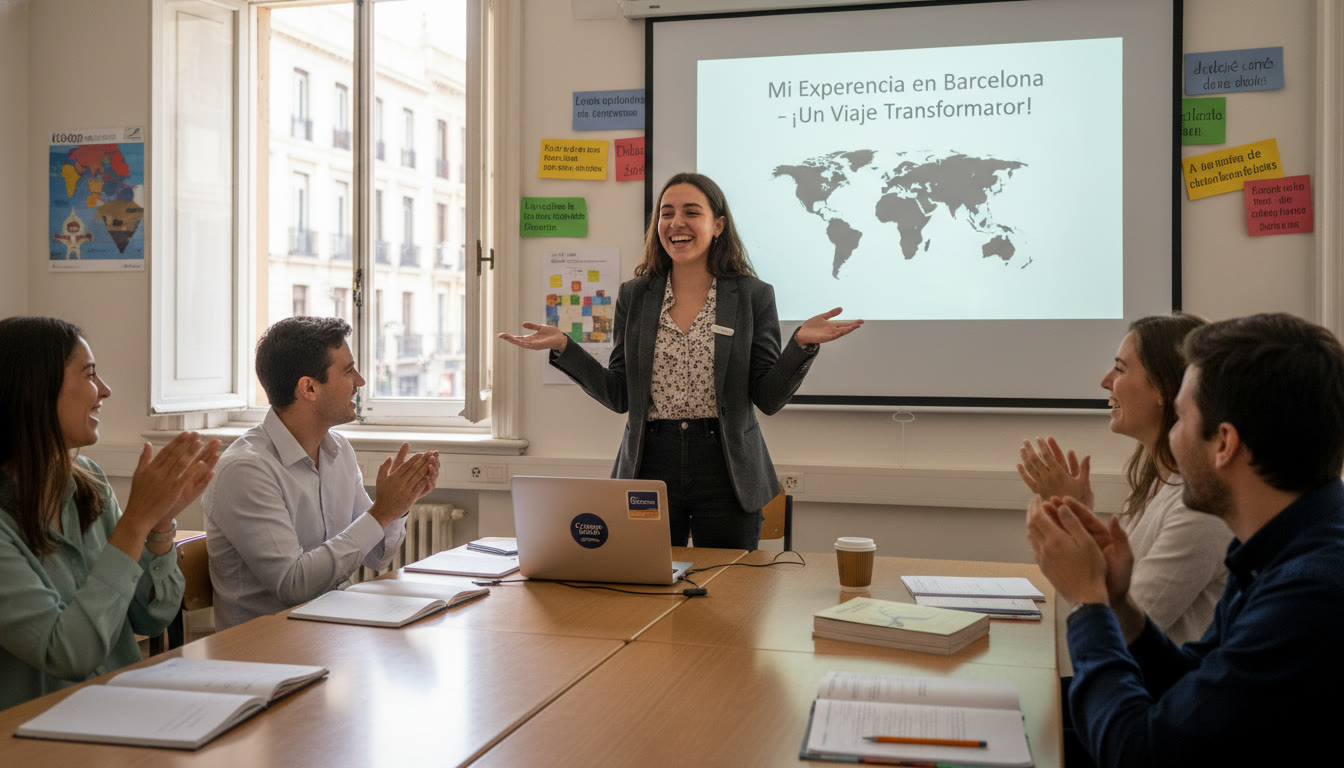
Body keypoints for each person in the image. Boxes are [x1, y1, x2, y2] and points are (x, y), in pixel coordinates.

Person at [1026, 312, 1344, 767]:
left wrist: (1089, 602)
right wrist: (1118, 603)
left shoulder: (1310, 593)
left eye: (1179, 419)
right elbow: (1191, 681)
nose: (1171, 441)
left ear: (1224, 444)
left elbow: (1137, 753)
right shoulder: (1278, 549)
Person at [500, 173, 861, 550]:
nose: (677, 223)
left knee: (727, 593)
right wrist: (564, 347)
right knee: (647, 591)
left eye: (692, 212)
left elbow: (768, 398)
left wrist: (800, 345)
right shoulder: (635, 296)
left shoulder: (753, 296)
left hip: (726, 466)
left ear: (718, 225)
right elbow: (619, 394)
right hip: (651, 464)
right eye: (666, 213)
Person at [0, 316, 219, 709]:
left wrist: (160, 526)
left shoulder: (90, 483)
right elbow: (67, 654)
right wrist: (136, 522)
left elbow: (150, 617)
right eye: (89, 375)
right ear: (36, 391)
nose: (105, 390)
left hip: (118, 715)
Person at [203, 317, 440, 630]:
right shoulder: (246, 470)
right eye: (347, 370)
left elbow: (377, 555)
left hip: (328, 633)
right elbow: (293, 586)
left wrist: (400, 504)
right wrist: (382, 512)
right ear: (309, 387)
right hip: (265, 650)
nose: (360, 381)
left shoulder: (338, 450)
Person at [1017, 314, 1231, 644]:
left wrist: (1070, 517)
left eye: (1120, 369)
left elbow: (1117, 632)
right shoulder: (1160, 484)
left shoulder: (1199, 509)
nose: (1106, 381)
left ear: (1162, 388)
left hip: (1153, 692)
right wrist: (1075, 515)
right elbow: (1111, 594)